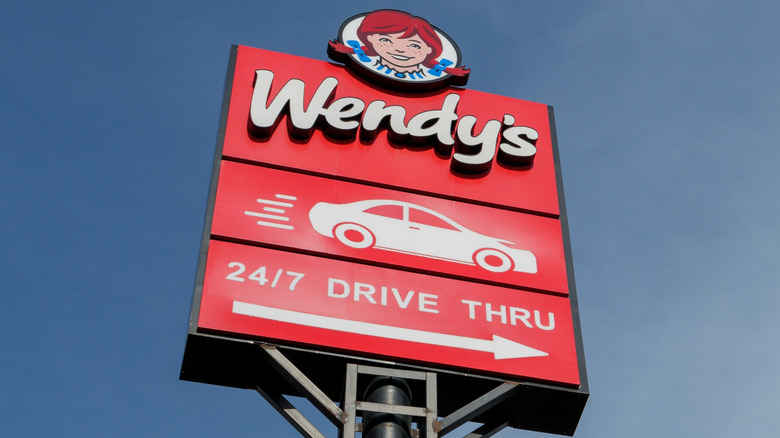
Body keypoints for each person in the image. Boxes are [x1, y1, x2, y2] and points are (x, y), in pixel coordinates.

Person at [329, 10, 469, 81]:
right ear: (370, 38)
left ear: (429, 48)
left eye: (414, 46)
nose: (399, 49)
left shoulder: (432, 73)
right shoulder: (366, 62)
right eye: (386, 40)